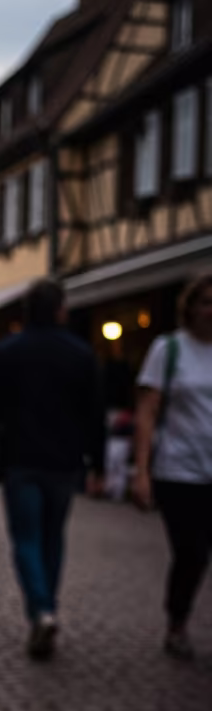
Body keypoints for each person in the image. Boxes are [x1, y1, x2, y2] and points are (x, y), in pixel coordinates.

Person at [0, 279, 105, 659]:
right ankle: (47, 604)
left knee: (26, 538)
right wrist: (97, 464)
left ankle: (41, 609)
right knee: (53, 537)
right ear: (60, 309)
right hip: (65, 462)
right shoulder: (81, 354)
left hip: (21, 459)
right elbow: (95, 415)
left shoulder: (6, 352)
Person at [133, 272, 212, 660]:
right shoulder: (169, 349)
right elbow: (147, 411)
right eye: (206, 302)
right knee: (192, 551)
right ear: (191, 307)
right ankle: (177, 621)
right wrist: (141, 470)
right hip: (178, 469)